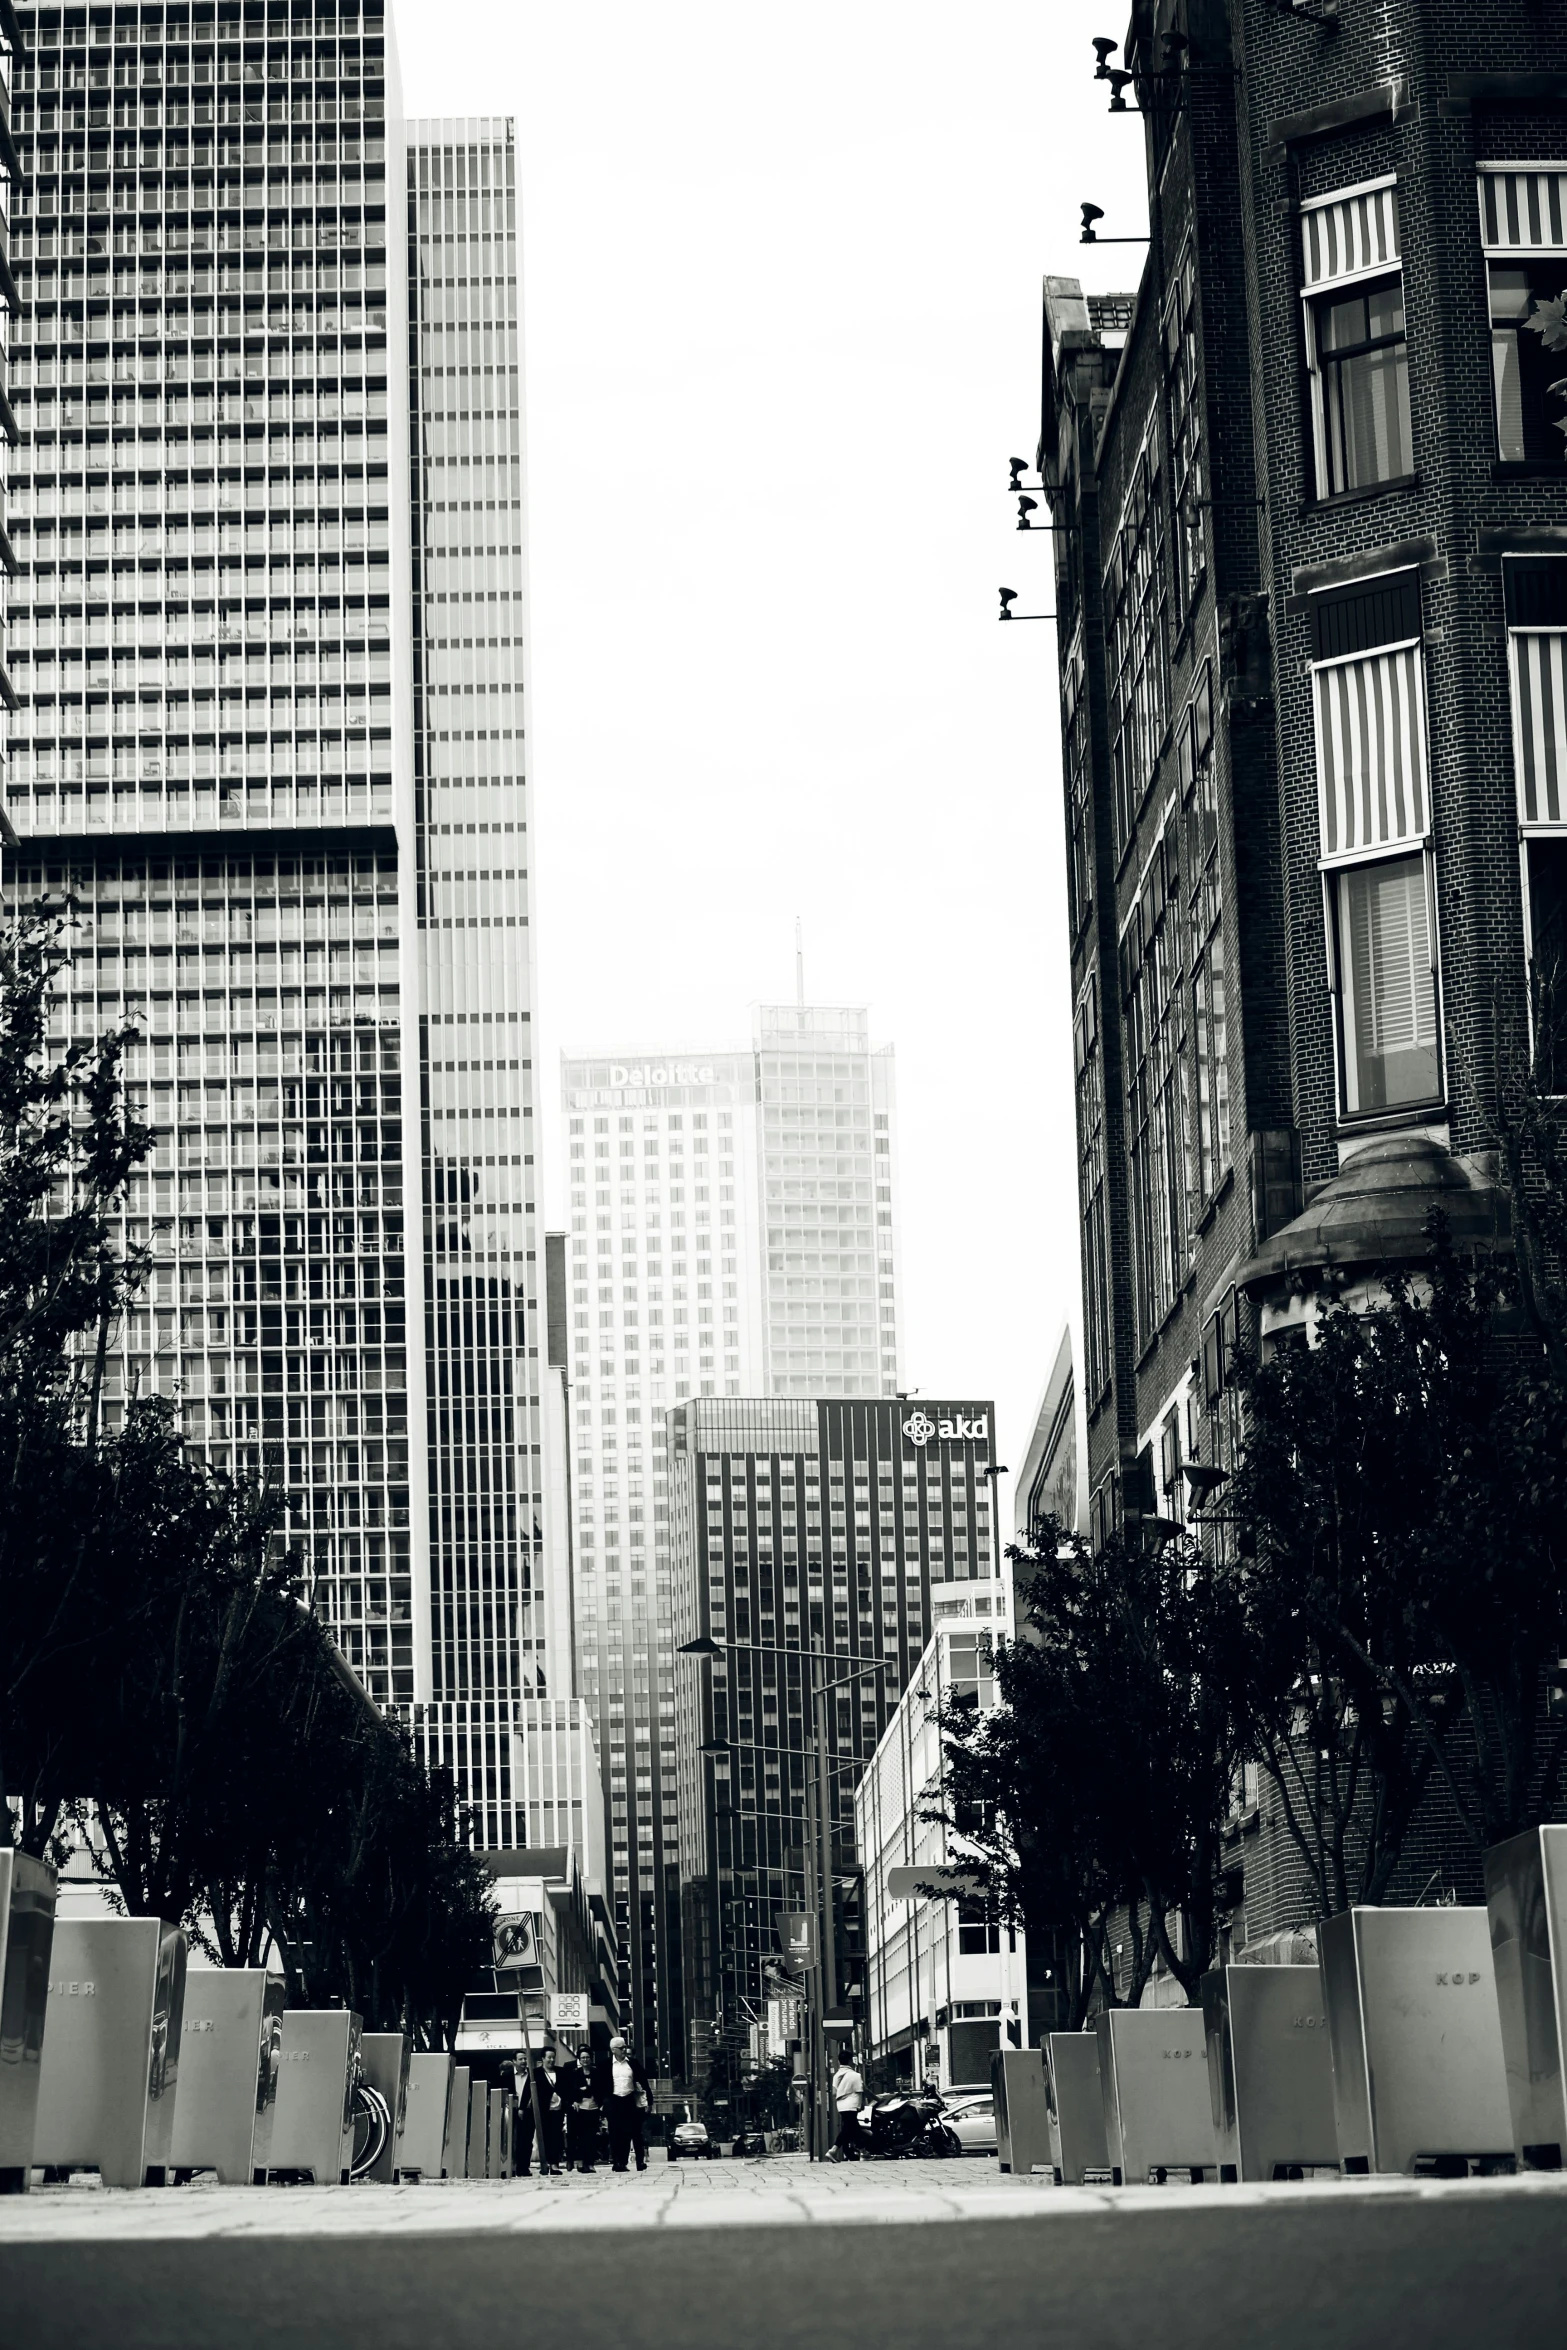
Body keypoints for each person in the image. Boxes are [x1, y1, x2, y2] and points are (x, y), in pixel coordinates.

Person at [593, 2034, 653, 2173]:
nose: (624, 2050)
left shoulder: (633, 2063)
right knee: (615, 2133)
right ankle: (617, 2162)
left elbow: (644, 2082)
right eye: (621, 2048)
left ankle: (626, 2162)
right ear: (613, 2050)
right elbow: (597, 2085)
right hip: (613, 2100)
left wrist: (649, 2100)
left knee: (629, 2132)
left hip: (629, 2100)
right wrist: (600, 2102)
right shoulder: (604, 2065)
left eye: (625, 2047)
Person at [557, 2045, 598, 2173]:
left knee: (591, 2136)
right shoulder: (574, 2073)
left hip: (594, 2107)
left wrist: (586, 2090)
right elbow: (570, 2090)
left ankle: (590, 2163)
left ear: (591, 2059)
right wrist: (576, 2097)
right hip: (579, 2108)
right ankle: (580, 2163)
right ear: (579, 2060)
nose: (585, 2060)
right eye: (583, 2058)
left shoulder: (597, 2072)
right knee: (580, 2136)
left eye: (587, 2057)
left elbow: (601, 2088)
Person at [535, 2043, 566, 2175]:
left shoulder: (561, 2072)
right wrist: (522, 2107)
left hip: (558, 2110)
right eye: (549, 2057)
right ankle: (545, 2163)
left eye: (553, 2057)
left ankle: (554, 2164)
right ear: (543, 2058)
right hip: (543, 2110)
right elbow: (528, 2091)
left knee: (557, 2137)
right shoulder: (536, 2073)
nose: (552, 2060)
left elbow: (568, 2089)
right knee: (545, 2137)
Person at [831, 2051, 865, 2161]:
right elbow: (860, 2091)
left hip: (840, 2105)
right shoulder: (855, 2075)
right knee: (849, 2128)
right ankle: (833, 2150)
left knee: (852, 2128)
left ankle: (863, 2150)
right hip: (852, 2104)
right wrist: (860, 2105)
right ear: (850, 2060)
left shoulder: (837, 2076)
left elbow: (833, 2093)